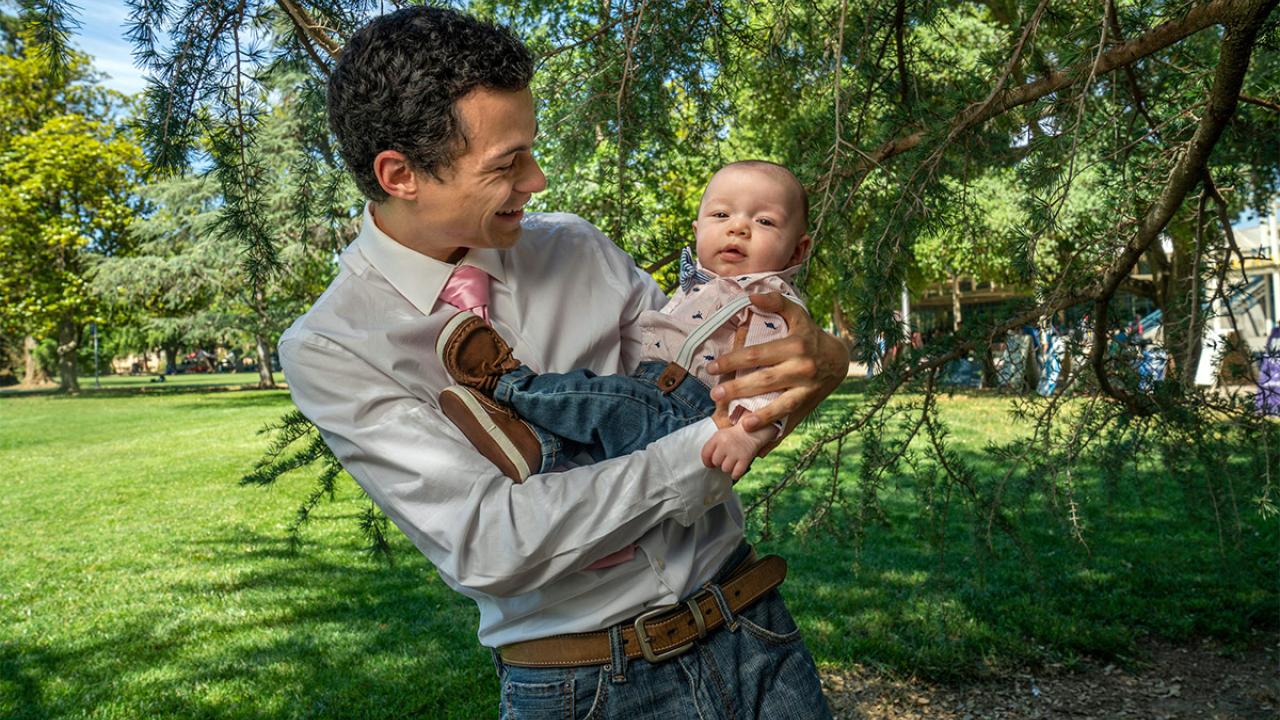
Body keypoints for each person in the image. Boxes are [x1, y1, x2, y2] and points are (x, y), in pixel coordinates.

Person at [278, 6, 848, 717]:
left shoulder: (575, 248)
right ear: (400, 174)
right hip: (586, 688)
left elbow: (707, 382)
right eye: (507, 163)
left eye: (532, 150)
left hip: (752, 628)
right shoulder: (333, 346)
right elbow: (494, 544)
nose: (538, 179)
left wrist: (821, 365)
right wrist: (703, 451)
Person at [437, 160, 812, 483]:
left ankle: (505, 383)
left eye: (764, 221)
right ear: (697, 231)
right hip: (657, 389)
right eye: (721, 215)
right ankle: (536, 445)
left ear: (798, 250)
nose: (738, 228)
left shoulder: (766, 301)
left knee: (601, 398)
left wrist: (746, 434)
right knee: (596, 414)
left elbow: (771, 378)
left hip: (689, 410)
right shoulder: (703, 285)